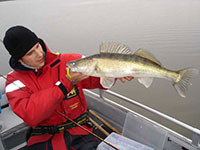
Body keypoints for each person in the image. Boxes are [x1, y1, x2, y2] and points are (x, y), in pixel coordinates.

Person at [3, 25, 133, 150]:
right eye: (30, 53)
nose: (39, 54)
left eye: (37, 46)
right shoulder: (13, 82)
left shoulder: (70, 61)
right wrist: (66, 84)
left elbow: (97, 78)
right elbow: (31, 114)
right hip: (43, 139)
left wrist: (117, 73)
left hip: (80, 133)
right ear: (19, 59)